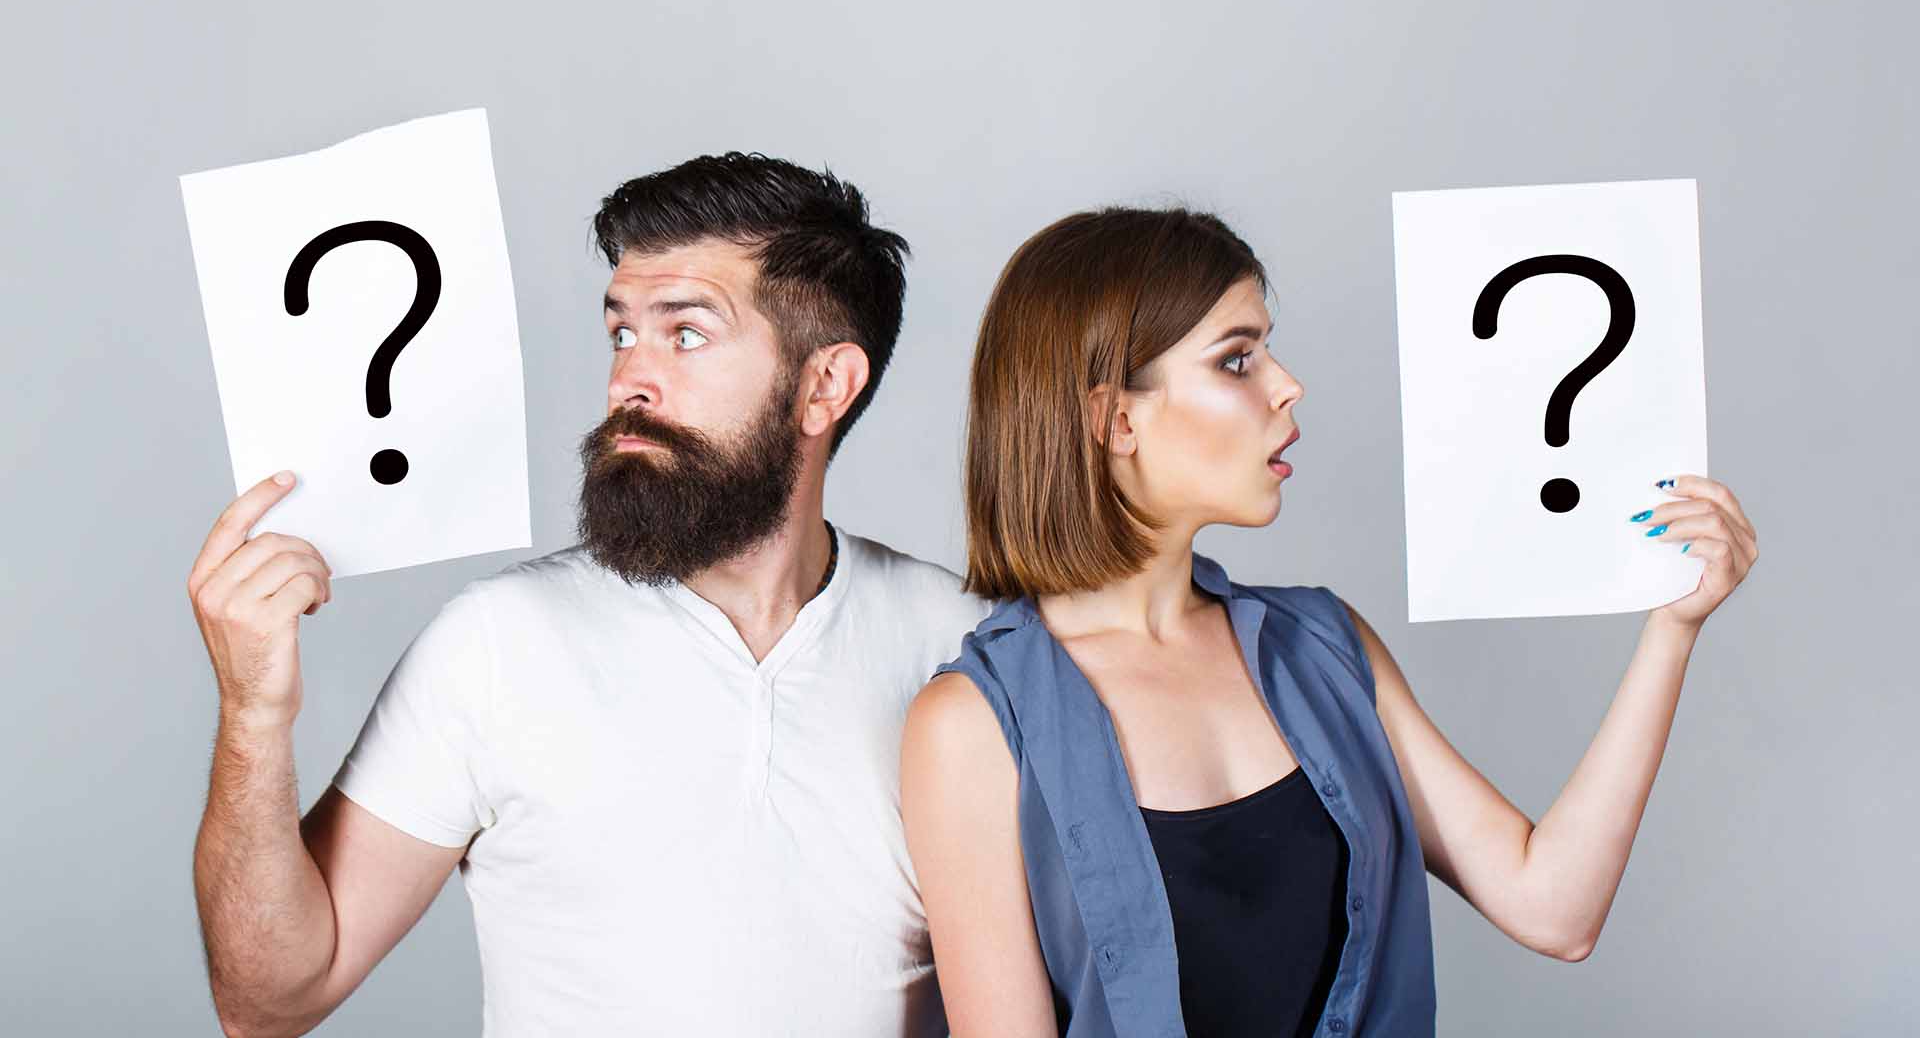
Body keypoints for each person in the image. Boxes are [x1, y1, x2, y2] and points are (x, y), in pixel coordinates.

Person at [900, 207, 1758, 1038]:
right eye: (1238, 361)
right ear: (1115, 419)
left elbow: (1555, 908)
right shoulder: (975, 725)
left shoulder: (1324, 645)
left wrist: (1672, 629)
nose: (1287, 385)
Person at [187, 153, 991, 1037]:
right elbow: (269, 1000)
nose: (626, 383)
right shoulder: (497, 643)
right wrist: (252, 713)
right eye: (621, 334)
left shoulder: (965, 646)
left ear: (824, 385)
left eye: (684, 334)